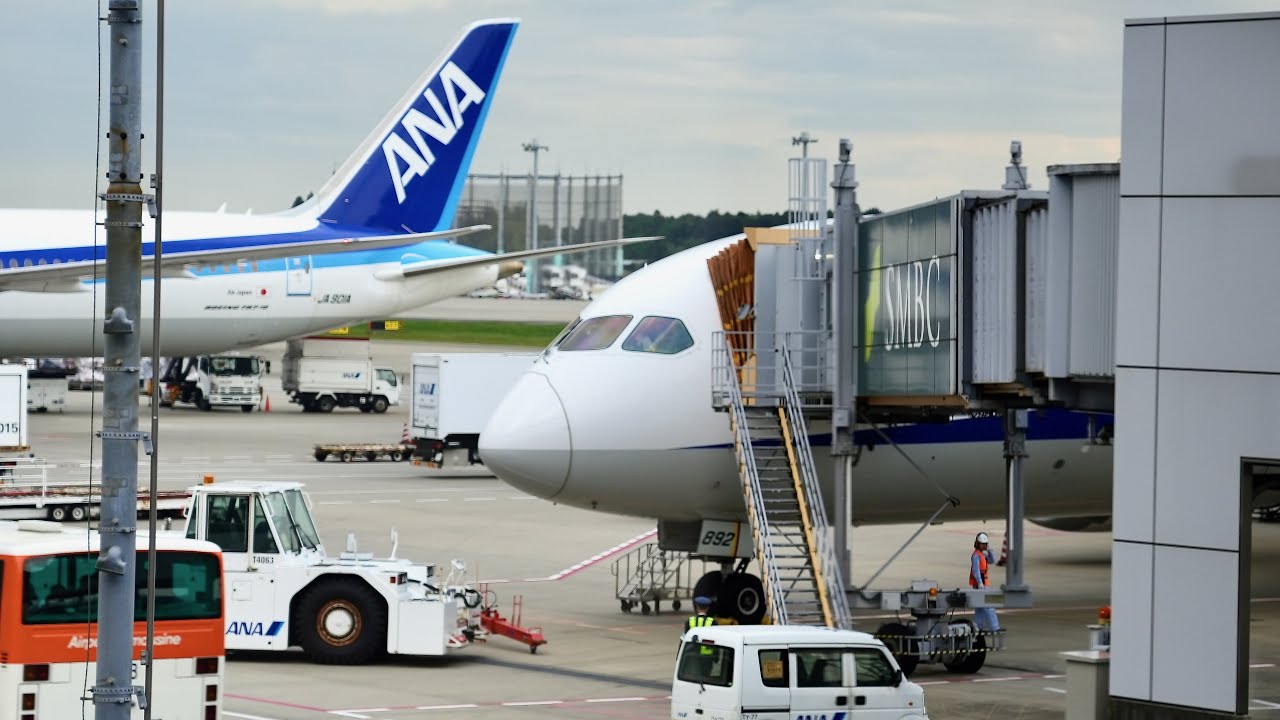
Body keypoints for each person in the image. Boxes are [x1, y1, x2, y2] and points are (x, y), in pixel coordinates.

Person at [969, 532, 1000, 633]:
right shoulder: (976, 556)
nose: (984, 545)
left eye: (985, 544)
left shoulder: (982, 555)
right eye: (982, 544)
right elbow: (975, 570)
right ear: (977, 544)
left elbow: (992, 561)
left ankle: (978, 626)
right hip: (980, 585)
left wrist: (990, 551)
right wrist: (980, 583)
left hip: (982, 584)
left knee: (980, 607)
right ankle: (994, 627)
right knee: (989, 605)